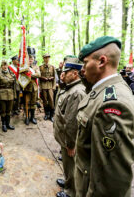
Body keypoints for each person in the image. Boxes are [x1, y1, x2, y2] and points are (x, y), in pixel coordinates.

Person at [75, 36, 134, 196]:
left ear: (101, 62)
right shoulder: (106, 89)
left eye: (86, 62)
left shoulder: (111, 104)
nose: (83, 69)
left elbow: (110, 181)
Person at [53, 57, 86, 197]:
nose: (62, 74)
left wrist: (70, 144)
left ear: (74, 73)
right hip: (65, 138)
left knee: (71, 165)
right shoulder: (71, 87)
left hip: (69, 141)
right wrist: (62, 80)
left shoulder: (76, 92)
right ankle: (68, 181)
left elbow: (72, 122)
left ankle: (70, 192)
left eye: (65, 72)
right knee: (67, 165)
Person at [0, 60, 16, 132]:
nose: (5, 67)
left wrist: (15, 96)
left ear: (7, 66)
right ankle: (3, 125)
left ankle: (8, 124)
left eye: (6, 65)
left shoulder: (11, 74)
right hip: (2, 95)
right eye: (3, 65)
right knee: (3, 111)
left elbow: (14, 86)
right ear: (1, 66)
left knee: (9, 110)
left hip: (10, 94)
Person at [23, 54, 40, 125]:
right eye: (29, 59)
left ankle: (32, 117)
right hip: (26, 87)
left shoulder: (36, 67)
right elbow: (22, 75)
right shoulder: (24, 67)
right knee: (27, 103)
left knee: (33, 103)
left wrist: (30, 74)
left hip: (34, 87)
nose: (30, 60)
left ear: (33, 60)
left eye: (31, 59)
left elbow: (38, 74)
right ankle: (27, 117)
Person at [39, 54, 56, 122]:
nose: (46, 59)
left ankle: (51, 115)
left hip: (50, 86)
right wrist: (40, 87)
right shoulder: (40, 67)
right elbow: (39, 78)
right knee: (45, 101)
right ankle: (46, 114)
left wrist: (54, 87)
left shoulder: (52, 67)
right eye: (45, 58)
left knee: (51, 100)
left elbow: (54, 78)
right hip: (43, 86)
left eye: (48, 58)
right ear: (43, 59)